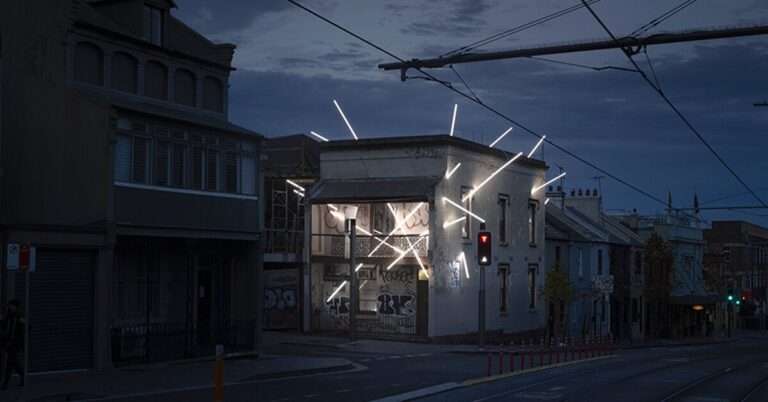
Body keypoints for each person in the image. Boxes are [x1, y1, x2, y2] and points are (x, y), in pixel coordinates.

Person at [1, 300, 24, 389]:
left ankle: (5, 383)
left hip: (14, 343)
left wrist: (19, 343)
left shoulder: (19, 317)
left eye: (12, 306)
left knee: (10, 363)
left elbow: (23, 331)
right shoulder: (8, 315)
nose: (10, 307)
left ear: (16, 307)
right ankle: (22, 375)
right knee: (13, 362)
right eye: (10, 306)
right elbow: (4, 325)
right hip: (8, 342)